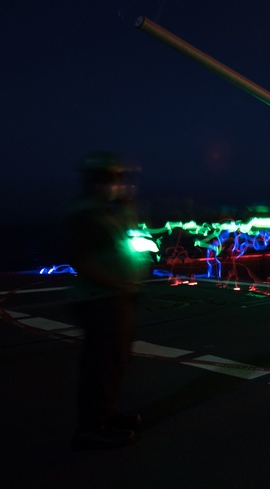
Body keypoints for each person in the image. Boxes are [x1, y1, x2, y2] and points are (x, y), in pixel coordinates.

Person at [65, 151, 150, 450]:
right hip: (100, 300)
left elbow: (125, 241)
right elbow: (82, 259)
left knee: (114, 362)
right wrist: (117, 283)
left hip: (116, 297)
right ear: (97, 179)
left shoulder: (109, 210)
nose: (118, 182)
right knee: (100, 364)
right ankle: (91, 427)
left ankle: (105, 413)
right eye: (112, 177)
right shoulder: (86, 213)